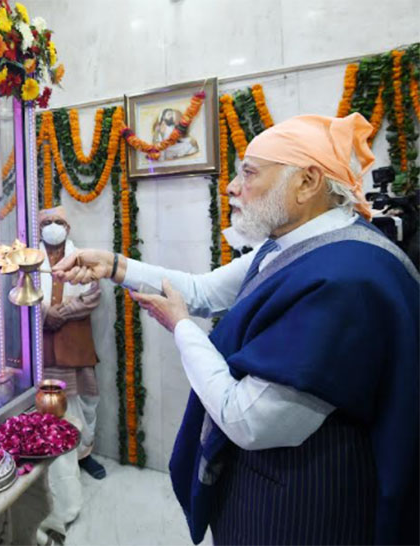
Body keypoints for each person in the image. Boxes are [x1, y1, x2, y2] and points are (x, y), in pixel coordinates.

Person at [52, 113, 419, 545]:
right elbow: (201, 290)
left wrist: (182, 327)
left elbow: (247, 419)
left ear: (307, 182)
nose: (231, 186)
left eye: (249, 172)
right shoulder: (299, 243)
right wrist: (113, 265)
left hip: (304, 506)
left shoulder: (344, 279)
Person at [39, 206, 105, 479]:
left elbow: (93, 296)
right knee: (47, 403)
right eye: (47, 222)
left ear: (67, 228)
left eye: (58, 222)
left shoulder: (82, 259)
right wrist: (45, 313)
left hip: (76, 344)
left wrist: (61, 313)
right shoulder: (30, 260)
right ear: (39, 229)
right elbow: (19, 293)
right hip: (43, 346)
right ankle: (52, 459)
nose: (53, 227)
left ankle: (83, 455)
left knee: (84, 401)